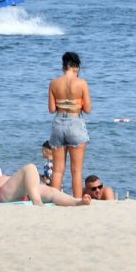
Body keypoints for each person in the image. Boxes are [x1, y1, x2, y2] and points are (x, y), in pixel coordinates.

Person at [47, 51, 91, 198]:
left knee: (58, 170)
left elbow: (52, 109)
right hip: (75, 123)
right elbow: (88, 109)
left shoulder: (53, 83)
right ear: (76, 67)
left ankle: (54, 199)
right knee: (76, 171)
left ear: (64, 66)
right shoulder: (82, 83)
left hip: (58, 123)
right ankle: (77, 200)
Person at [0, 163, 89, 205]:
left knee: (51, 192)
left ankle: (77, 202)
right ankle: (37, 201)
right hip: (1, 194)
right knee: (30, 168)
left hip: (22, 191)